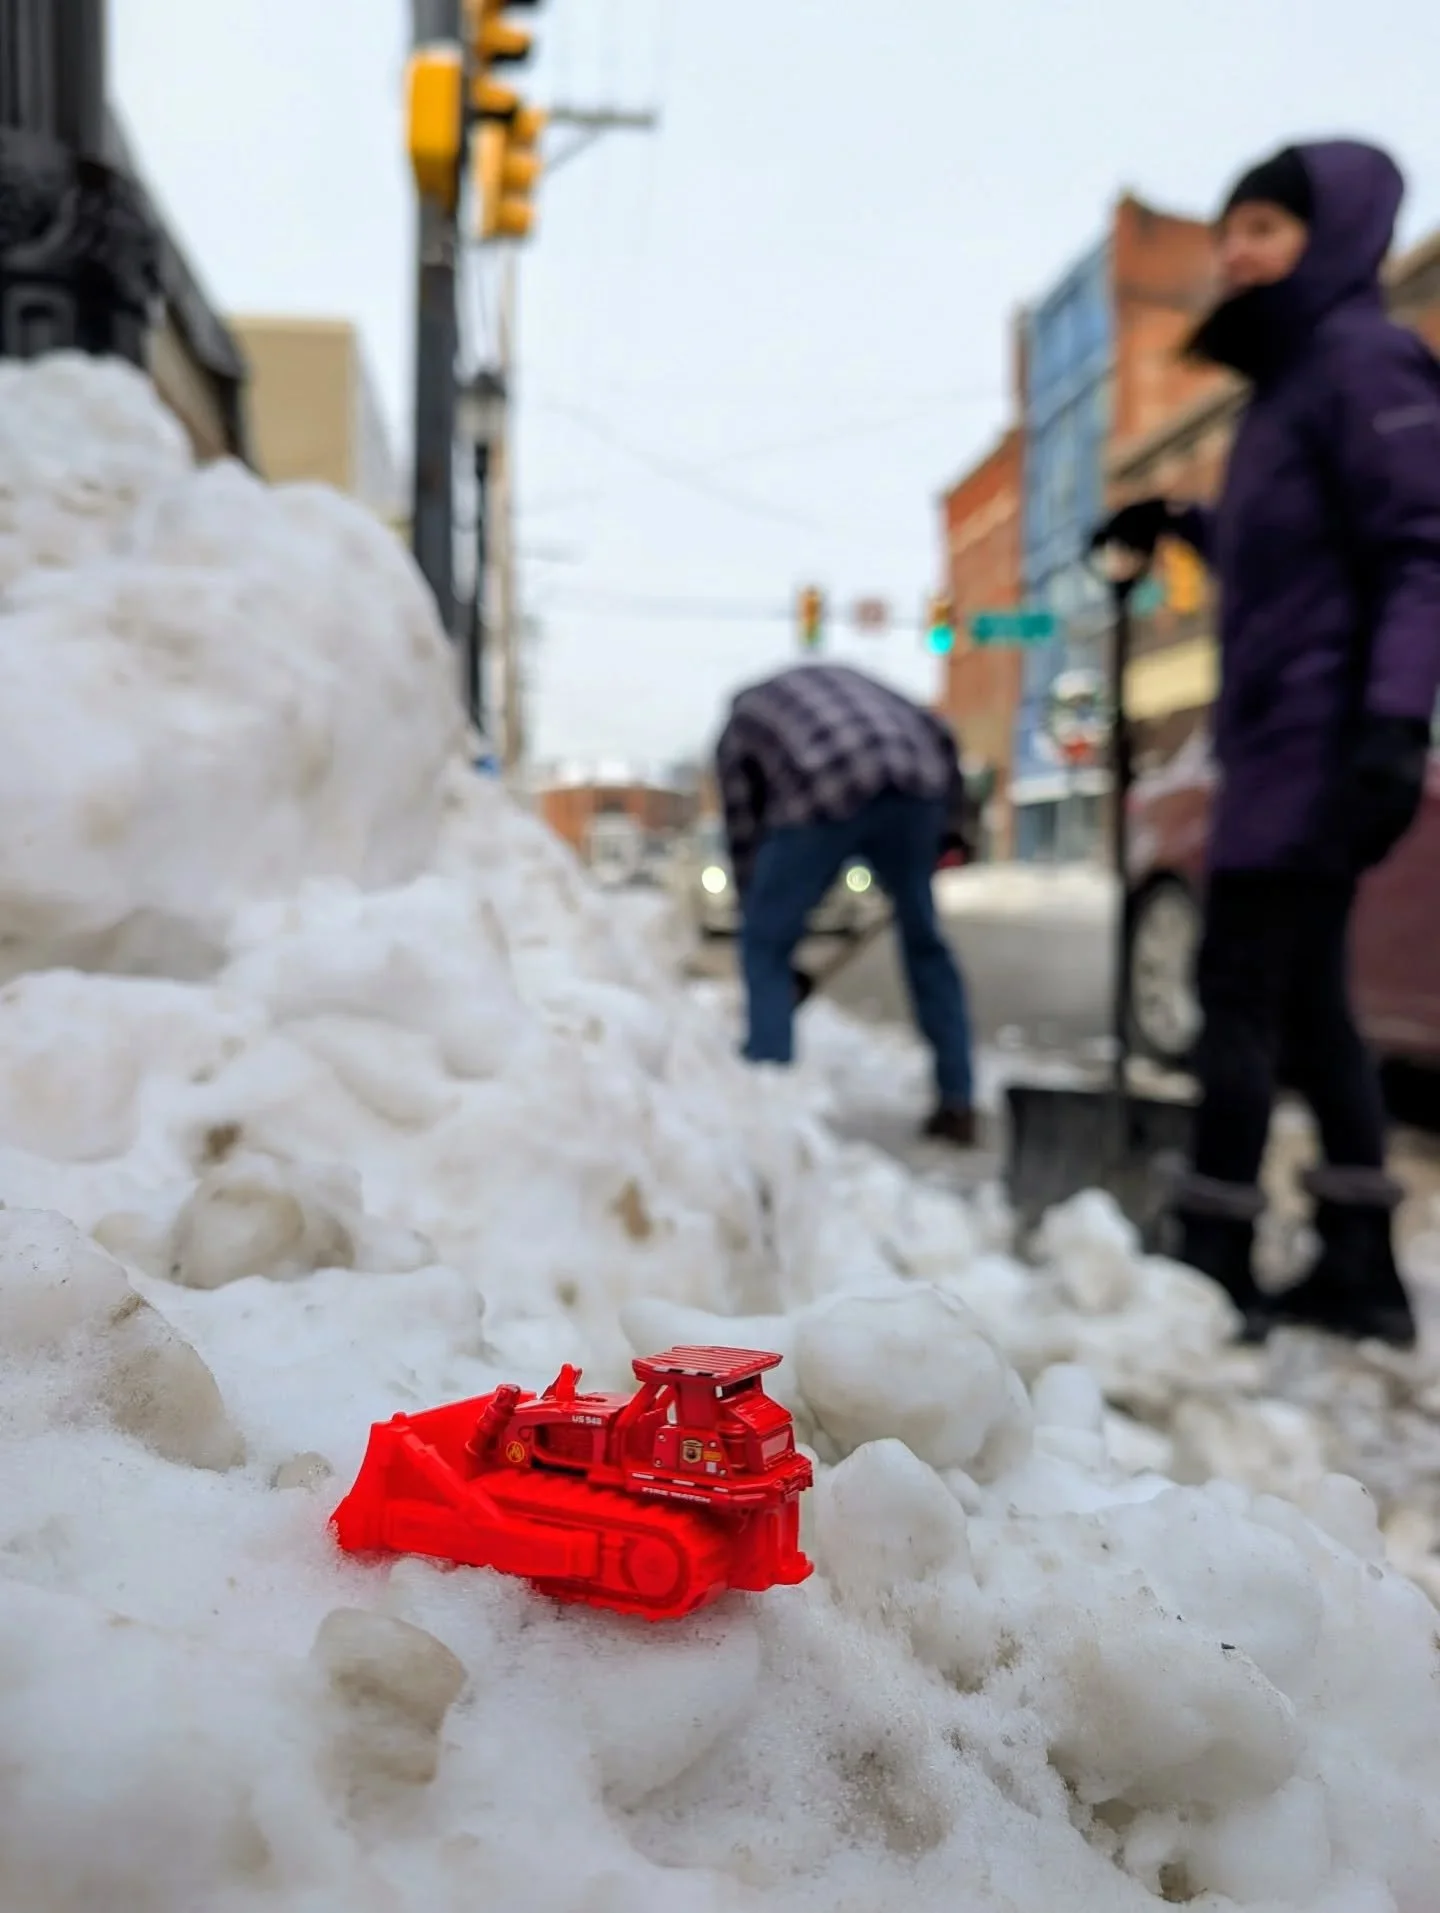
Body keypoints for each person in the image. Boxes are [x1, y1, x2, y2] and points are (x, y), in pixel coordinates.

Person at [1093, 139, 1440, 1348]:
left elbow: (1418, 550)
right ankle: (1359, 1259)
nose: (1237, 251)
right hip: (1283, 737)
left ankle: (1215, 1247)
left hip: (1318, 739)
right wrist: (1181, 518)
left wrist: (1397, 722)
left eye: (1267, 229)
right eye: (1231, 227)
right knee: (1307, 1006)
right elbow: (1291, 555)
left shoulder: (1361, 360)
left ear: (1331, 239)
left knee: (1238, 990)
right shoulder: (1294, 384)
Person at [714, 660, 979, 1143]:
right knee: (924, 941)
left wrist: (765, 925)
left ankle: (770, 1102)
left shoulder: (741, 723)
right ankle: (958, 1101)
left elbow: (743, 832)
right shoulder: (855, 681)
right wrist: (957, 824)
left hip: (825, 790)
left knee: (763, 947)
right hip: (916, 784)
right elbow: (940, 731)